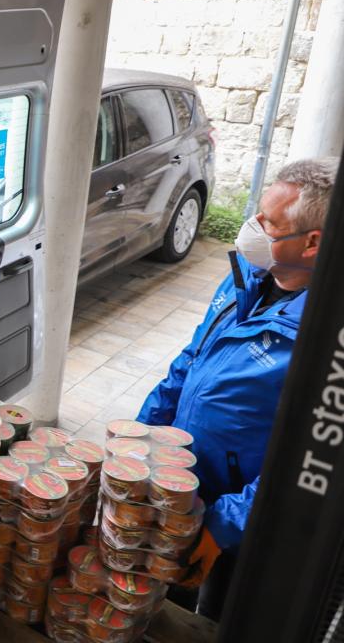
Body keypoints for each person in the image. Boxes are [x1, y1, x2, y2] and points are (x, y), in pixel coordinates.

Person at [135, 158, 338, 619]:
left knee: (222, 614)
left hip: (249, 520)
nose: (253, 226)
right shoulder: (246, 276)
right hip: (182, 483)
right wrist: (142, 438)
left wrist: (224, 526)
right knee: (158, 598)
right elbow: (191, 361)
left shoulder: (326, 336)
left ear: (312, 243)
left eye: (270, 222)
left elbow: (306, 457)